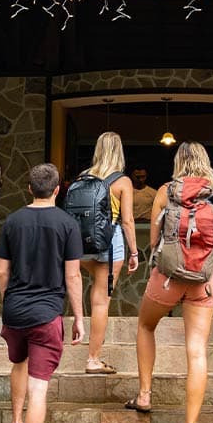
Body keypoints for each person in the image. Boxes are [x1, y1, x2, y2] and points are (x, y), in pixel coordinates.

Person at [128, 141, 213, 423]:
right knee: (196, 350)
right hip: (203, 280)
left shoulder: (166, 191)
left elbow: (156, 240)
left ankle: (144, 394)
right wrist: (204, 267)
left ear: (177, 162)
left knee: (146, 325)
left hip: (168, 278)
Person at [0, 164, 86, 423]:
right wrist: (79, 318)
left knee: (18, 363)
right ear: (58, 190)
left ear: (29, 188)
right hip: (47, 314)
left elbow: (1, 273)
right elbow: (72, 275)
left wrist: (7, 301)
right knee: (39, 387)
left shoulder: (11, 222)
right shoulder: (68, 224)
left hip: (15, 311)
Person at [77, 131, 139, 374]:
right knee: (101, 300)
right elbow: (128, 221)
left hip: (82, 244)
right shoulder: (122, 182)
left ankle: (88, 345)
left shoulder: (83, 177)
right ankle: (93, 359)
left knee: (95, 289)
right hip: (109, 243)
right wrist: (134, 252)